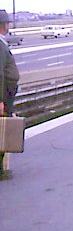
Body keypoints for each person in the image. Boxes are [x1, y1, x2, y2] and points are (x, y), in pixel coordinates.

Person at [0, 10, 21, 173]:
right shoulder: (0, 45)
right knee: (2, 129)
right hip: (4, 94)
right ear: (4, 25)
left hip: (6, 92)